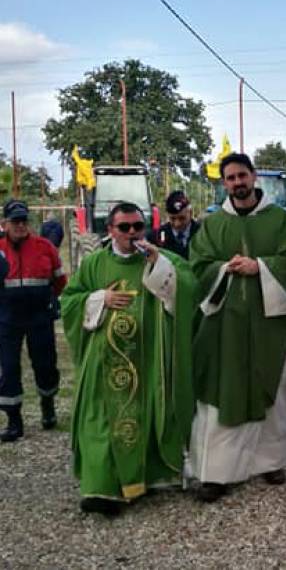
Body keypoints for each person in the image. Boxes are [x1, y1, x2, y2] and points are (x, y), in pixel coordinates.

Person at [61, 202, 196, 515]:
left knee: (145, 416)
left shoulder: (161, 258)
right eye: (124, 227)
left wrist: (159, 266)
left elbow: (189, 288)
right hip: (103, 357)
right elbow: (69, 301)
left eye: (138, 226)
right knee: (100, 419)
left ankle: (143, 479)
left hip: (148, 358)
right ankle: (101, 489)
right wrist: (99, 298)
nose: (132, 233)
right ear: (110, 231)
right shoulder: (94, 263)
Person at [187, 153, 286, 502]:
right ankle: (216, 472)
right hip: (224, 326)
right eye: (230, 178)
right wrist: (224, 270)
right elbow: (198, 266)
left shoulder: (280, 222)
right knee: (223, 390)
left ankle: (271, 461)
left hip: (270, 323)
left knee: (273, 386)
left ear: (254, 177)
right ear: (224, 183)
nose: (237, 182)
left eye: (242, 175)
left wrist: (261, 268)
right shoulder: (212, 224)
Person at [0, 200, 67, 443]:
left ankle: (47, 405)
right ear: (5, 224)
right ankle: (14, 421)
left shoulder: (45, 247)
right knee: (8, 368)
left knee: (46, 365)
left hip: (39, 316)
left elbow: (60, 281)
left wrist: (51, 301)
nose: (20, 225)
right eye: (14, 221)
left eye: (23, 221)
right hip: (7, 318)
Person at [150, 190, 200, 260]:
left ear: (190, 213)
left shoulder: (202, 233)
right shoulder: (159, 235)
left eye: (182, 218)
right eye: (172, 218)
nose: (177, 224)